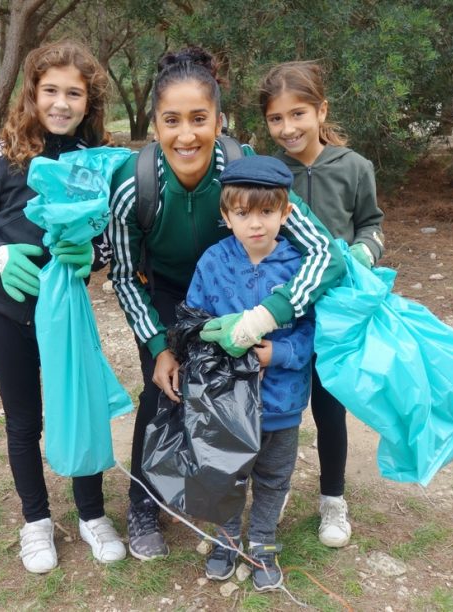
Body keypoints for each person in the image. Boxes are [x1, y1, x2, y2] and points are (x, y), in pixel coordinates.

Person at [108, 46, 345, 561]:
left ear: (219, 121)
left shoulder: (245, 171)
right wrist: (160, 345)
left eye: (199, 119)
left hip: (239, 285)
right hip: (170, 292)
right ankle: (145, 502)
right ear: (154, 125)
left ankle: (232, 500)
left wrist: (270, 313)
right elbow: (123, 275)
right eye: (172, 121)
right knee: (163, 391)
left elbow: (326, 253)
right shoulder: (134, 183)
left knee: (232, 392)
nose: (186, 135)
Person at [0, 40, 124, 574]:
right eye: (51, 90)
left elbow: (111, 239)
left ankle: (92, 514)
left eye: (74, 93)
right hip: (5, 311)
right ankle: (36, 521)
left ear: (89, 102)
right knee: (23, 420)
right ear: (32, 93)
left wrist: (92, 256)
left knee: (80, 407)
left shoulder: (97, 163)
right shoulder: (1, 157)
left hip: (66, 314)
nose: (61, 103)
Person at [259, 61, 386, 548]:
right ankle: (273, 489)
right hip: (284, 313)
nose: (288, 128)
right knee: (277, 410)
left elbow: (372, 223)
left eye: (298, 114)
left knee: (330, 410)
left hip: (336, 315)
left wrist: (366, 250)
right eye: (276, 118)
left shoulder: (354, 167)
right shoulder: (270, 174)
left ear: (321, 111)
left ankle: (333, 498)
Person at [186, 155, 315, 591]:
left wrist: (278, 353)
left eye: (266, 212)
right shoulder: (212, 261)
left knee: (274, 478)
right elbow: (196, 322)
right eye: (242, 213)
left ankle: (262, 542)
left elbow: (316, 332)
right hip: (227, 403)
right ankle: (225, 541)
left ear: (285, 212)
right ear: (226, 216)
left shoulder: (301, 267)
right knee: (226, 474)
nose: (255, 224)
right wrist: (220, 352)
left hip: (282, 402)